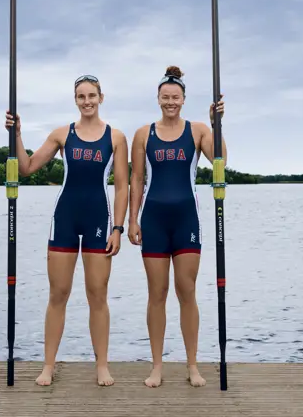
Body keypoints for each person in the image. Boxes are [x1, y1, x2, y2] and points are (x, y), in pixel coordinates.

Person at [5, 74, 129, 387]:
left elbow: (123, 186)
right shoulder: (63, 134)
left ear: (101, 97)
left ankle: (102, 365)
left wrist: (118, 227)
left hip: (99, 221)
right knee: (58, 294)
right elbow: (27, 168)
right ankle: (48, 365)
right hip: (65, 219)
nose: (86, 101)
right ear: (75, 100)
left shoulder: (116, 138)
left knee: (97, 295)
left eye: (91, 95)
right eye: (80, 96)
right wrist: (17, 135)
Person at [128, 65, 226, 388]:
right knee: (156, 293)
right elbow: (137, 179)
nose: (170, 101)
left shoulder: (197, 131)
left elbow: (221, 160)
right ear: (158, 98)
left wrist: (216, 124)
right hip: (154, 221)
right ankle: (157, 366)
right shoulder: (144, 134)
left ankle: (192, 365)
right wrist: (132, 219)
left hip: (187, 222)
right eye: (165, 97)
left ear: (183, 99)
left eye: (176, 97)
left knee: (187, 291)